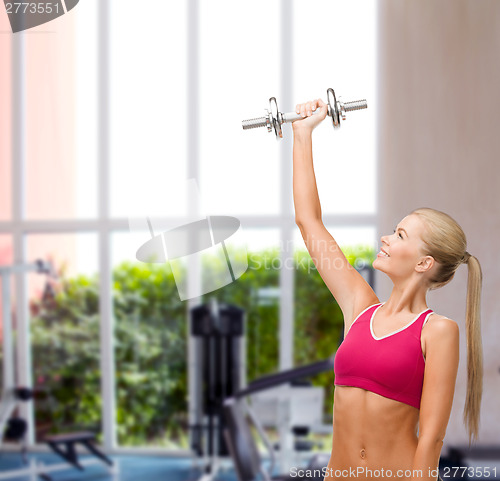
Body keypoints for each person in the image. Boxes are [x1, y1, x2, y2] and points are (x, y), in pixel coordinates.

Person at [292, 99, 483, 481]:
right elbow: (309, 221)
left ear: (423, 263)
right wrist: (302, 134)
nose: (386, 238)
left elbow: (430, 440)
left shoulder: (437, 331)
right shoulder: (359, 307)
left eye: (399, 235)